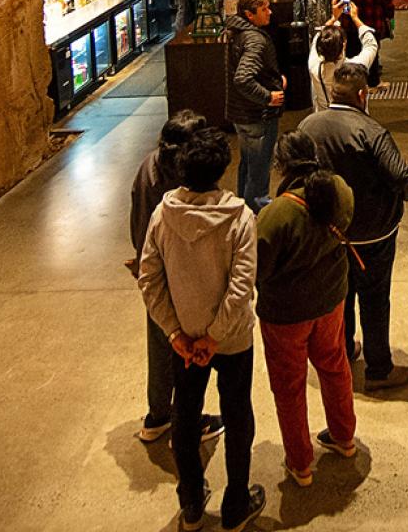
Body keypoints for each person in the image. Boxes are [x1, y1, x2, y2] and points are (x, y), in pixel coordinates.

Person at [137, 123, 267, 531]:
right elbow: (241, 286)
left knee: (187, 419)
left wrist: (176, 333)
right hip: (229, 341)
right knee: (237, 414)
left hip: (184, 342)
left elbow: (149, 278)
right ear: (221, 169)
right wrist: (215, 337)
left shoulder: (162, 214)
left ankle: (191, 504)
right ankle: (235, 504)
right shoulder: (241, 217)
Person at [297, 62, 408, 391]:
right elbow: (401, 177)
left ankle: (342, 350)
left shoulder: (308, 127)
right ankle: (379, 368)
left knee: (340, 294)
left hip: (329, 232)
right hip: (373, 233)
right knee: (374, 297)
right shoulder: (371, 131)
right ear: (362, 94)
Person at [257, 131, 360, 487]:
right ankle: (344, 438)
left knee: (289, 385)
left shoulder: (277, 214)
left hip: (285, 315)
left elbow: (258, 268)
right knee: (334, 366)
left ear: (281, 165)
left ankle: (301, 464)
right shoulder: (340, 190)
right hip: (331, 300)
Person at [128, 112, 227, 446]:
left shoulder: (148, 165)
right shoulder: (179, 185)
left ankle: (158, 416)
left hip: (150, 271)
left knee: (161, 346)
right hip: (175, 275)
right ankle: (187, 425)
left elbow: (137, 225)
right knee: (185, 352)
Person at [225, 0, 285, 210]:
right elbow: (242, 78)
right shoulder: (255, 40)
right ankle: (256, 217)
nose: (269, 12)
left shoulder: (237, 32)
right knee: (259, 172)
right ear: (250, 15)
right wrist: (268, 96)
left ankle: (243, 209)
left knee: (248, 165)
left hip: (241, 114)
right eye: (264, 9)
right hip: (257, 116)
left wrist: (276, 80)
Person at [309, 0, 378, 111]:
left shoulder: (314, 65)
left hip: (324, 121)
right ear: (344, 45)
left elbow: (317, 38)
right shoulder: (355, 67)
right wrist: (355, 18)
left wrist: (333, 18)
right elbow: (371, 45)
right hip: (352, 122)